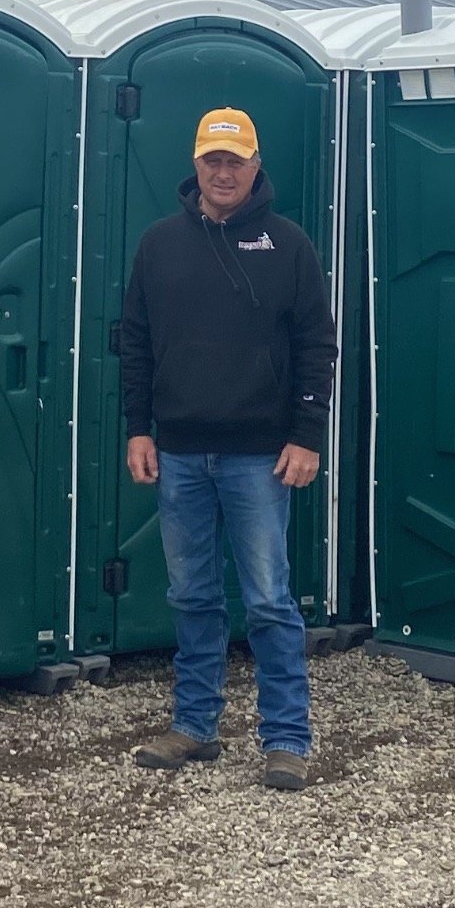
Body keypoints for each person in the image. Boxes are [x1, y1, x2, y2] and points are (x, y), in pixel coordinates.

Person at [122, 107, 337, 792]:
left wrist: (307, 435)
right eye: (212, 160)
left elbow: (316, 345)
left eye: (234, 161)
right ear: (195, 164)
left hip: (259, 456)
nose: (223, 172)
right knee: (192, 595)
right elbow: (135, 344)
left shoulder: (289, 244)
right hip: (179, 452)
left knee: (270, 599)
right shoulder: (158, 244)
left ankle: (287, 737)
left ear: (254, 166)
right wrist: (138, 427)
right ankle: (195, 727)